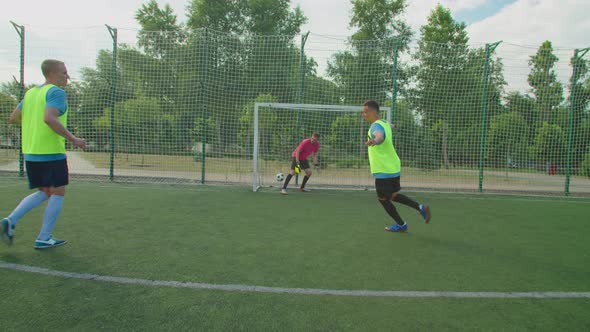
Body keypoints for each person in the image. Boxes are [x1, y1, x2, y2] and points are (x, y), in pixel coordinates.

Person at [1, 59, 86, 249]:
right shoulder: (56, 92)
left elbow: (13, 118)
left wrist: (32, 124)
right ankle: (44, 237)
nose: (68, 76)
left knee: (45, 191)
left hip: (31, 152)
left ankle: (10, 221)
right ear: (52, 74)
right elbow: (49, 118)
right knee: (58, 192)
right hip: (50, 151)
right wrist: (75, 139)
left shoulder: (31, 93)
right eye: (64, 73)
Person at [361, 100, 431, 232]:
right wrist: (392, 126)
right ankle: (420, 207)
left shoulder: (375, 126)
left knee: (383, 199)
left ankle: (401, 224)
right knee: (392, 196)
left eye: (365, 112)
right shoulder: (384, 123)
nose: (363, 115)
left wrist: (375, 140)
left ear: (372, 112)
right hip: (394, 167)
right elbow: (389, 126)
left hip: (383, 170)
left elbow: (379, 136)